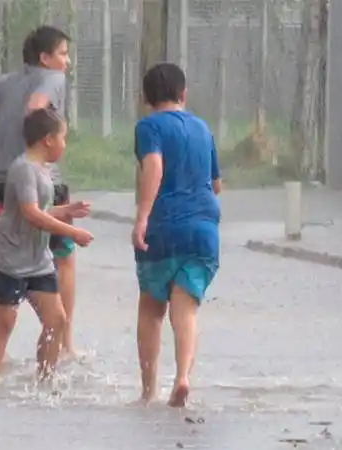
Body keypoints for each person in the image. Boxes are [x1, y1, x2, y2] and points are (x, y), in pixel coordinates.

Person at [0, 25, 82, 358]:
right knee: (64, 258)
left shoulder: (4, 82)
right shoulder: (53, 78)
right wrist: (36, 148)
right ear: (45, 58)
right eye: (62, 54)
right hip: (42, 181)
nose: (67, 62)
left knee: (2, 260)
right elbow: (37, 105)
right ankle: (65, 342)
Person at [0, 107, 94, 385]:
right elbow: (31, 214)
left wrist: (68, 209)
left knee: (56, 319)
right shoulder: (22, 169)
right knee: (3, 324)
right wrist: (72, 232)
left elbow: (40, 210)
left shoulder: (44, 171)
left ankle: (45, 381)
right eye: (62, 138)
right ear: (47, 140)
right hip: (9, 258)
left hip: (37, 259)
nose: (64, 145)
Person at [132, 62, 222, 407]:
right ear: (183, 94)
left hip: (164, 227)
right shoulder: (202, 128)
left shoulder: (149, 126)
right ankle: (183, 377)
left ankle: (148, 390)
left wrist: (142, 218)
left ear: (146, 98)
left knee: (152, 311)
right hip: (203, 231)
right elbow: (215, 184)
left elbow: (153, 166)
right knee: (185, 310)